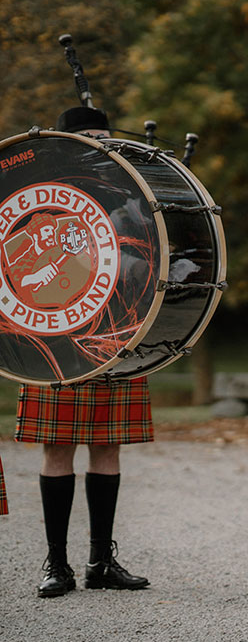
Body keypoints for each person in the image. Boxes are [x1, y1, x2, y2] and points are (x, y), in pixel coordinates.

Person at [15, 106, 151, 598]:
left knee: (108, 445)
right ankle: (57, 564)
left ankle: (101, 561)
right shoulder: (41, 189)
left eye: (105, 137)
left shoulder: (132, 197)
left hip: (116, 332)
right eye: (89, 138)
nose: (101, 146)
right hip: (54, 336)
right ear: (67, 142)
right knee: (57, 447)